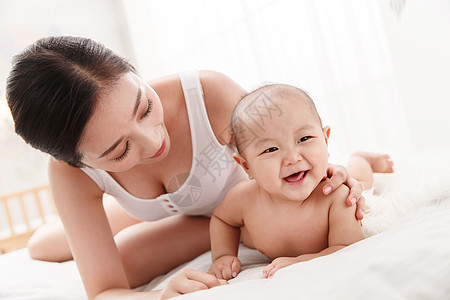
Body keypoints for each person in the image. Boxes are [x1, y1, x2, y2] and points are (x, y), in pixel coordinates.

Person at [6, 36, 366, 299]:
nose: (153, 142)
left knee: (127, 262)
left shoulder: (207, 95)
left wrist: (337, 172)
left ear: (134, 73)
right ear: (78, 160)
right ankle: (131, 208)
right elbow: (104, 292)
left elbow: (287, 147)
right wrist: (160, 296)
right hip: (171, 210)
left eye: (145, 107)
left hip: (231, 213)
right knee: (40, 247)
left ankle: (135, 207)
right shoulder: (69, 174)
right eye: (120, 151)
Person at [208, 84, 394, 280]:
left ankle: (360, 159)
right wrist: (223, 255)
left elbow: (348, 249)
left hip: (352, 196)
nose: (292, 158)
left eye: (304, 138)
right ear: (247, 167)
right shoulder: (243, 199)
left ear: (325, 139)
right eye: (271, 149)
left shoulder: (337, 197)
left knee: (362, 183)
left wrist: (304, 261)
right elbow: (222, 219)